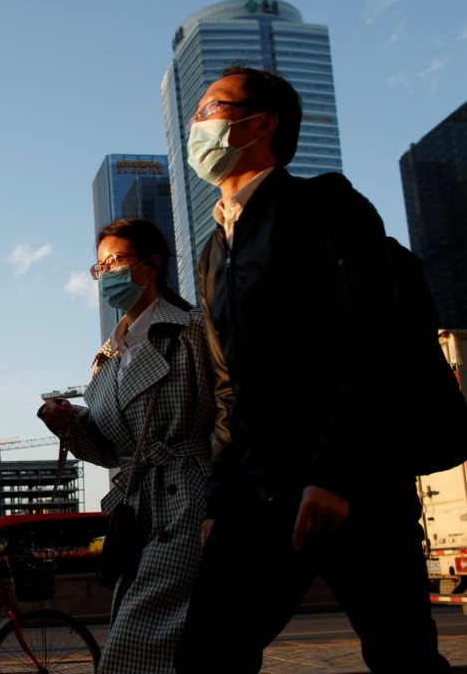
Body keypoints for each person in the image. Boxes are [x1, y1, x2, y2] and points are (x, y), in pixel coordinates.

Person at [174, 66, 450, 673]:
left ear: (261, 123)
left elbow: (376, 340)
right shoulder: (212, 251)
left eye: (211, 109)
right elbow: (229, 388)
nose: (196, 124)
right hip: (257, 489)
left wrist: (334, 471)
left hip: (354, 484)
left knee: (401, 653)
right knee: (207, 654)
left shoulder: (325, 204)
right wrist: (220, 500)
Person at [36, 217, 215, 674]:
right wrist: (70, 425)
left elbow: (230, 415)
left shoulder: (192, 329)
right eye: (100, 267)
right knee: (156, 644)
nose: (107, 274)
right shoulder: (105, 357)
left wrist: (221, 500)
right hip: (138, 513)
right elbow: (114, 453)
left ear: (151, 265)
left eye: (117, 260)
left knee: (137, 647)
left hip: (190, 500)